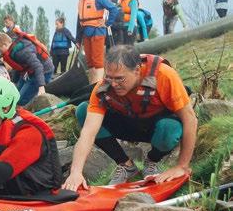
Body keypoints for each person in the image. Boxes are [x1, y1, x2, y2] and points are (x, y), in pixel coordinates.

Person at [62, 45, 197, 191]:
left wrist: (182, 166)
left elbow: (190, 119)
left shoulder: (164, 75)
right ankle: (126, 166)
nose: (113, 84)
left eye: (120, 79)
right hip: (127, 124)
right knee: (83, 110)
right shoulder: (103, 88)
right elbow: (88, 133)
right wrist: (75, 172)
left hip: (157, 126)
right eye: (109, 77)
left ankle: (152, 161)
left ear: (137, 70)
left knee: (170, 129)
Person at [0, 32, 54, 106]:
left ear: (4, 45)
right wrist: (13, 82)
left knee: (20, 100)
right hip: (30, 71)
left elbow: (38, 66)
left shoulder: (22, 51)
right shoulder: (12, 49)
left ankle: (26, 109)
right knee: (14, 94)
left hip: (43, 71)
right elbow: (17, 67)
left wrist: (41, 87)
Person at [76, 0, 118, 84]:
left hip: (97, 32)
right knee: (89, 61)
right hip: (86, 33)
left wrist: (107, 23)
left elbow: (113, 9)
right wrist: (78, 39)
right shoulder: (81, 1)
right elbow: (79, 21)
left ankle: (98, 85)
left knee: (97, 60)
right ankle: (92, 85)